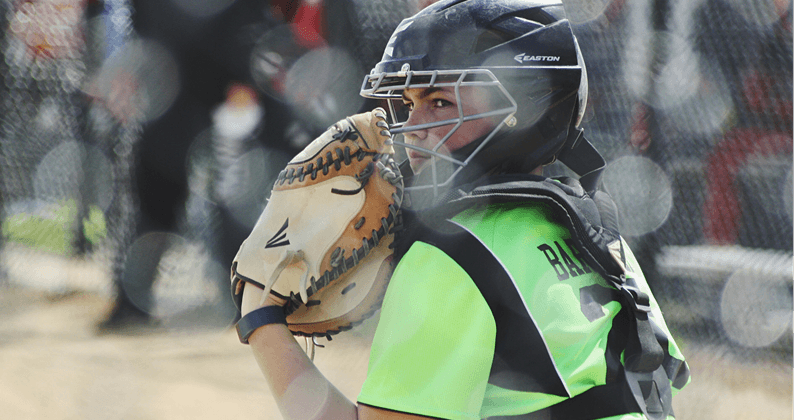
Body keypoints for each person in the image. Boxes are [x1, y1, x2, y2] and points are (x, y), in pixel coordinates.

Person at [239, 1, 690, 419]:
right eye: (410, 104)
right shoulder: (592, 226)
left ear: (528, 107)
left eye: (440, 102)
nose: (413, 128)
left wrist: (261, 320)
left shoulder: (451, 257)